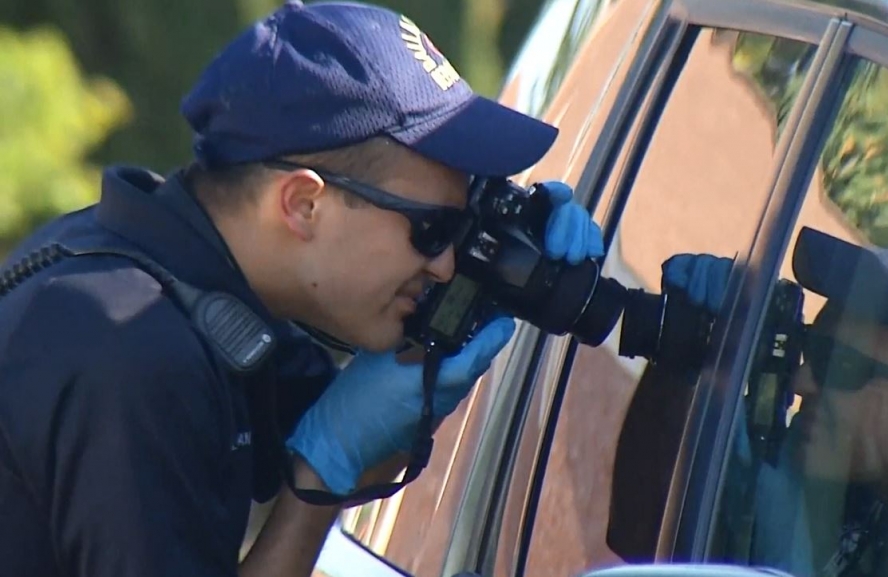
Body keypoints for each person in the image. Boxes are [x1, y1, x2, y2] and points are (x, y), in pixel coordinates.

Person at [0, 2, 605, 576]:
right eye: (432, 230)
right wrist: (321, 479)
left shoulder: (157, 277)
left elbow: (349, 405)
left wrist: (505, 269)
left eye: (462, 225)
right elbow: (329, 438)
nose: (446, 265)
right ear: (303, 204)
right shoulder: (132, 358)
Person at [664, 226, 888, 577]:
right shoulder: (850, 484)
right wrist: (688, 354)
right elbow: (641, 546)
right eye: (809, 347)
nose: (800, 382)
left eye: (837, 365)